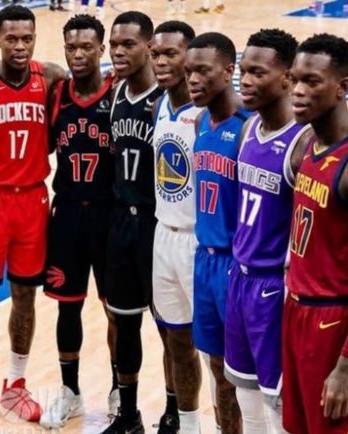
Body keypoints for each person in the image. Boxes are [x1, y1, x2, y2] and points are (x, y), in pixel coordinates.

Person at [284, 33, 348, 434]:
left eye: (312, 81)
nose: (298, 91)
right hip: (295, 309)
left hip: (336, 323)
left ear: (342, 87)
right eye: (294, 79)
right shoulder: (306, 142)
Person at [0, 4, 66, 424]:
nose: (19, 46)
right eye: (11, 38)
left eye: (26, 38)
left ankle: (15, 383)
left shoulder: (48, 77)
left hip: (33, 200)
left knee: (25, 297)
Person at [225, 29, 311, 434]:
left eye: (258, 73)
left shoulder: (303, 143)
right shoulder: (248, 131)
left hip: (275, 287)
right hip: (239, 278)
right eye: (243, 71)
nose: (245, 81)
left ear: (287, 78)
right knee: (244, 391)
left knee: (278, 401)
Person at [38, 14, 117, 429]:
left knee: (117, 311)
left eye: (87, 47)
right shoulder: (57, 95)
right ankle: (70, 392)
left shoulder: (118, 95)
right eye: (71, 47)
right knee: (67, 309)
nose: (78, 54)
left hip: (109, 216)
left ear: (101, 49)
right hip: (67, 213)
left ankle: (121, 390)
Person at [101, 11, 163, 434]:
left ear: (149, 47)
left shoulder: (167, 99)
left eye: (128, 45)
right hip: (122, 222)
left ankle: (175, 414)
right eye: (114, 45)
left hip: (158, 226)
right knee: (124, 323)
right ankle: (128, 415)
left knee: (172, 331)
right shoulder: (117, 91)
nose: (118, 52)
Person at [185, 31, 248, 434]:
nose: (192, 79)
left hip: (237, 266)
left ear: (228, 71)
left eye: (202, 71)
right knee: (217, 367)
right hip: (205, 260)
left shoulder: (248, 127)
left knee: (249, 377)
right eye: (188, 71)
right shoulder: (200, 122)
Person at [150, 20, 202, 434]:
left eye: (171, 53)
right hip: (163, 235)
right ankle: (190, 426)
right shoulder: (159, 106)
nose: (161, 62)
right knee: (176, 342)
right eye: (156, 54)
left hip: (201, 244)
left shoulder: (210, 113)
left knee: (218, 356)